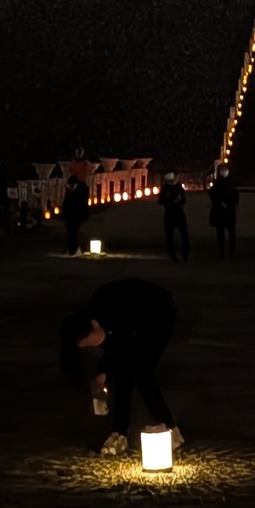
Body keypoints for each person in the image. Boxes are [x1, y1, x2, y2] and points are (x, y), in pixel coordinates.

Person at [64, 277, 180, 455]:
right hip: (134, 323)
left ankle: (170, 430)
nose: (91, 347)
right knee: (129, 368)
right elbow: (117, 350)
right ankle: (119, 433)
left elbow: (123, 349)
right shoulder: (96, 321)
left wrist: (107, 370)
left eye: (89, 343)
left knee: (140, 371)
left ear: (95, 326)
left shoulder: (111, 314)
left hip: (158, 313)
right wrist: (104, 373)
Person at [207, 162, 239, 259]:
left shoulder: (218, 185)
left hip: (222, 211)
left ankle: (225, 253)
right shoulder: (230, 184)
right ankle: (229, 253)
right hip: (226, 211)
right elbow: (235, 196)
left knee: (223, 233)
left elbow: (212, 195)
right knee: (229, 233)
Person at [157, 171, 190, 262]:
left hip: (178, 213)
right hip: (170, 214)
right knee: (170, 236)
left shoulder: (178, 187)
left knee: (183, 235)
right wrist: (169, 200)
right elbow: (161, 201)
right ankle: (173, 255)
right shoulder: (165, 188)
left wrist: (178, 201)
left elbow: (183, 200)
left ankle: (185, 254)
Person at [60, 170, 92, 255]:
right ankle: (72, 250)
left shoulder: (80, 193)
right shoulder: (70, 192)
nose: (70, 186)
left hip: (77, 216)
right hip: (70, 216)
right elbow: (66, 203)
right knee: (71, 234)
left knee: (73, 234)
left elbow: (82, 205)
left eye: (71, 185)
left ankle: (74, 249)